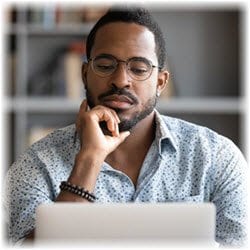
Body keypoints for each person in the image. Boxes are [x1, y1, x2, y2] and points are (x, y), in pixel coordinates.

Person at [4, 6, 247, 247]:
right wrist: (89, 159)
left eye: (139, 69)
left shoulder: (217, 158)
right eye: (105, 65)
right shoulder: (36, 164)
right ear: (85, 74)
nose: (120, 80)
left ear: (160, 83)